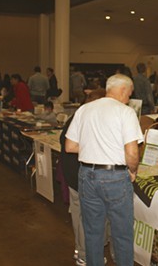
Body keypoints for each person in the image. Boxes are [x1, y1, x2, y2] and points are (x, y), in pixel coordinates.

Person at [65, 73, 143, 266]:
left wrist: (96, 148)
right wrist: (133, 170)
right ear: (123, 89)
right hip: (115, 177)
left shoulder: (84, 109)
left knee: (92, 231)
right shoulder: (125, 112)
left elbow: (70, 146)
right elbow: (132, 153)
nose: (129, 99)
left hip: (86, 176)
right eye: (129, 94)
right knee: (122, 233)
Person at [60, 89, 108, 266]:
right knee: (87, 217)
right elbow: (73, 147)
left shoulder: (76, 117)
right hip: (82, 175)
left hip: (73, 174)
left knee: (79, 214)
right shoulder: (90, 119)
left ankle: (80, 250)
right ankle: (86, 255)